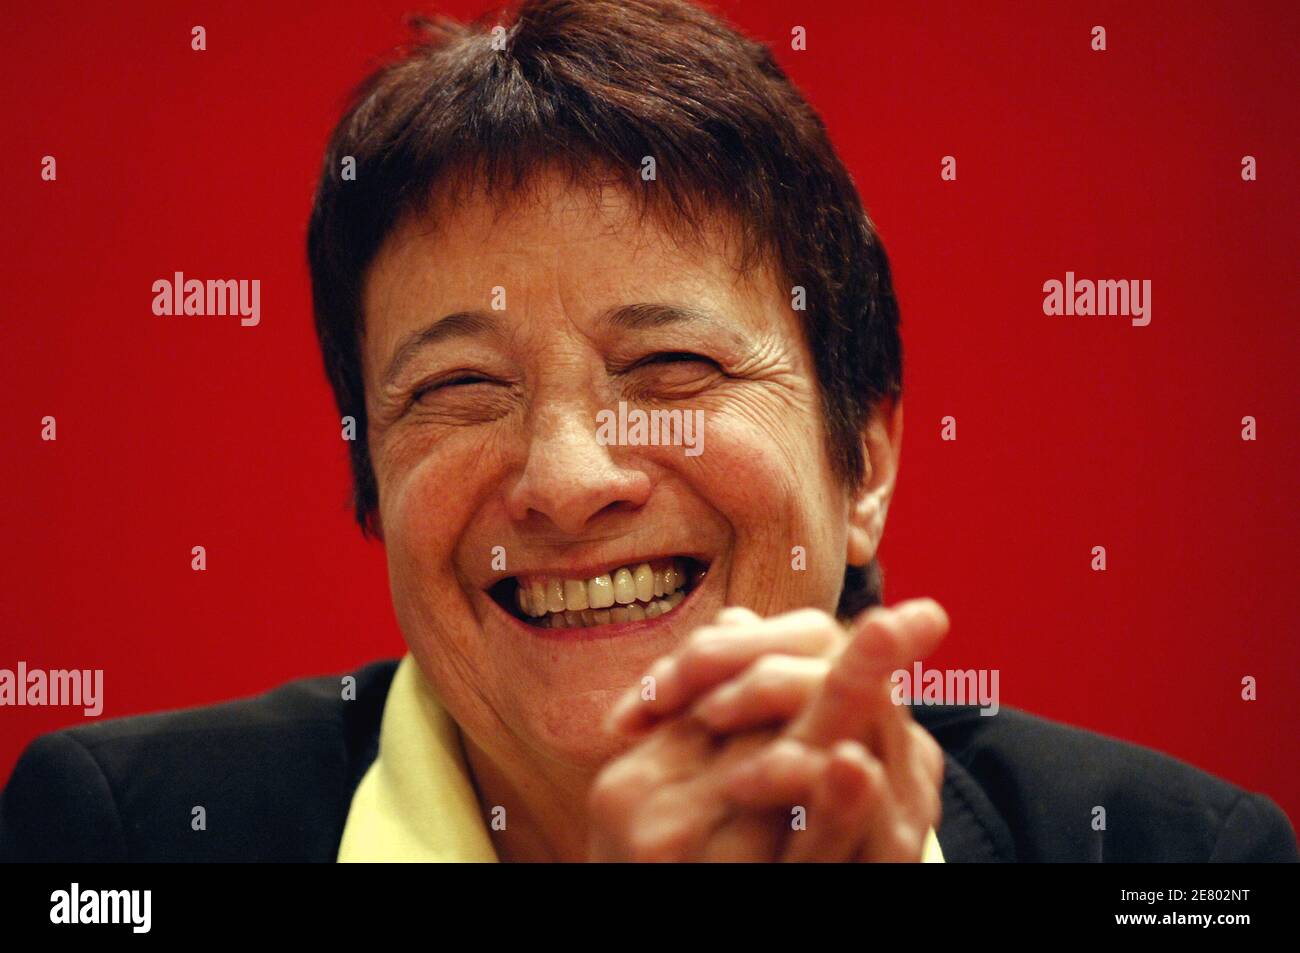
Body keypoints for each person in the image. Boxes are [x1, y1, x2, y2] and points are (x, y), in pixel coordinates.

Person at [2, 0, 1295, 863]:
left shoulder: (1184, 856)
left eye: (671, 365)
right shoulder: (118, 840)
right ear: (372, 480)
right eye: (457, 389)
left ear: (868, 462)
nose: (566, 479)